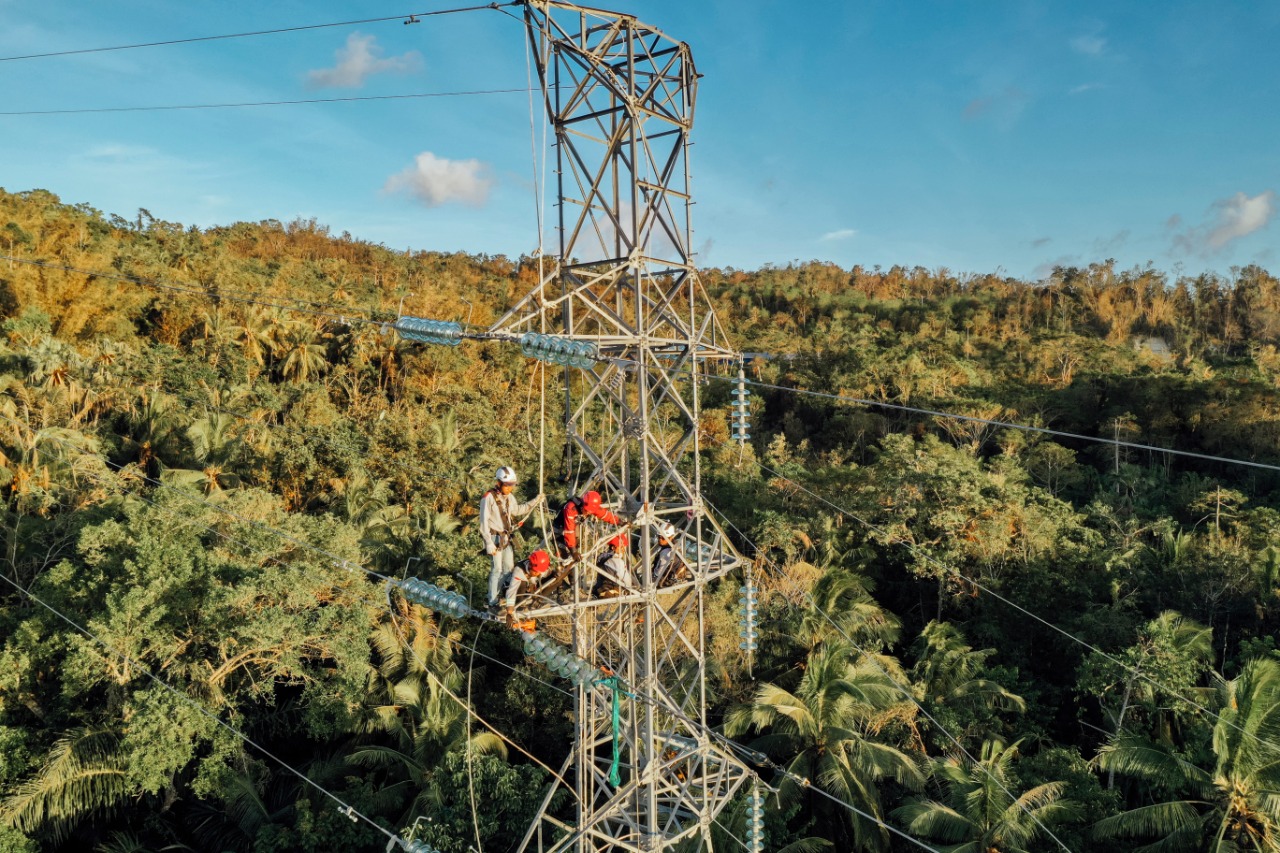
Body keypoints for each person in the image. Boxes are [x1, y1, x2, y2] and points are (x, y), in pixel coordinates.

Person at [479, 466, 541, 612]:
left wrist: (535, 501)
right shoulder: (488, 498)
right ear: (499, 483)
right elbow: (483, 523)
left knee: (508, 569)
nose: (509, 488)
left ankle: (504, 596)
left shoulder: (509, 498)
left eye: (512, 485)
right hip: (494, 537)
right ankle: (492, 601)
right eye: (507, 485)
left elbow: (518, 510)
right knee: (497, 569)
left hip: (506, 537)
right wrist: (488, 543)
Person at [552, 490, 621, 562]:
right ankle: (563, 566)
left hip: (573, 529)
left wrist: (619, 522)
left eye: (589, 512)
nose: (587, 512)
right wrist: (573, 551)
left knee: (574, 554)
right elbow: (569, 531)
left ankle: (571, 564)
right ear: (583, 503)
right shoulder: (571, 508)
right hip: (559, 531)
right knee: (564, 556)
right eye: (586, 510)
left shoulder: (592, 506)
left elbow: (605, 515)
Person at [498, 549, 551, 626]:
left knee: (554, 578)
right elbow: (511, 591)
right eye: (535, 572)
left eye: (538, 572)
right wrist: (509, 612)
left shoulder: (541, 568)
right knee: (522, 582)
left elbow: (548, 573)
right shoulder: (519, 570)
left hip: (527, 590)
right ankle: (520, 604)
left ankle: (537, 601)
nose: (537, 573)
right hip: (511, 590)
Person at [651, 521, 692, 588]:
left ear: (671, 537)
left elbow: (657, 574)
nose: (660, 540)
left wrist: (650, 578)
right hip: (671, 576)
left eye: (663, 538)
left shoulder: (666, 552)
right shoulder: (674, 546)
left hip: (664, 580)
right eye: (659, 537)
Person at [593, 533, 634, 599]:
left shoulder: (606, 558)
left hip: (600, 588)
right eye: (621, 547)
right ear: (613, 547)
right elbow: (626, 579)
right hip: (608, 588)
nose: (623, 550)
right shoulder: (614, 560)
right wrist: (631, 589)